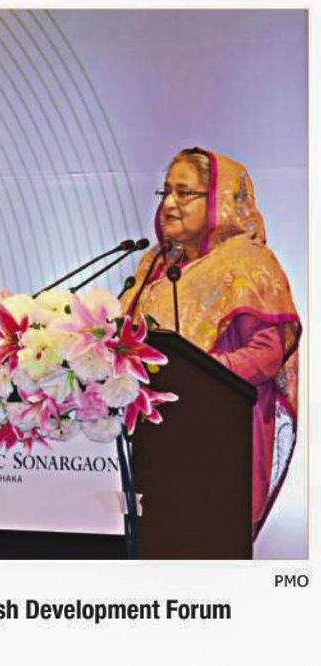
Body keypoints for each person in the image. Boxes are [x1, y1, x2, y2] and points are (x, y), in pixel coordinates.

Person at [122, 147, 300, 536]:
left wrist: (191, 376)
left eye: (184, 193)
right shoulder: (155, 264)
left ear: (219, 198)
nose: (169, 204)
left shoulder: (249, 262)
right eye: (166, 192)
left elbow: (266, 354)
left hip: (218, 434)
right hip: (150, 436)